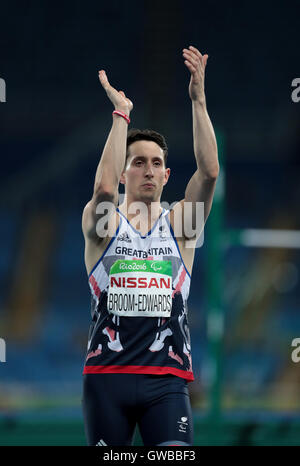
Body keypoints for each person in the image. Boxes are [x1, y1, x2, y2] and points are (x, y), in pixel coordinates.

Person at [81, 45, 219, 446]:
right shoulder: (105, 227)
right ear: (125, 173)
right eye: (138, 162)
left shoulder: (181, 225)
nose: (148, 170)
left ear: (166, 175)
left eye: (156, 163)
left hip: (168, 384)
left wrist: (199, 100)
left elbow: (209, 172)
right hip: (107, 381)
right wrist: (121, 115)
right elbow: (103, 188)